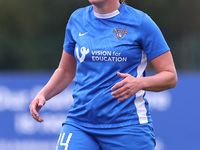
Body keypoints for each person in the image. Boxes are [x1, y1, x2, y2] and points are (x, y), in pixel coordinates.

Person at [29, 0, 177, 149]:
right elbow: (66, 71)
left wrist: (140, 83)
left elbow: (170, 76)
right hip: (80, 123)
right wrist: (43, 94)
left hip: (127, 126)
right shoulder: (77, 19)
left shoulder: (141, 22)